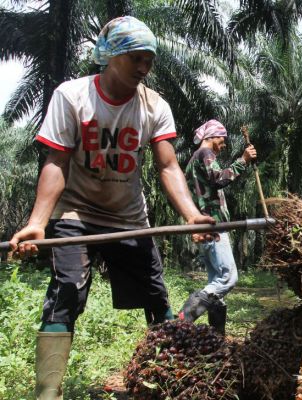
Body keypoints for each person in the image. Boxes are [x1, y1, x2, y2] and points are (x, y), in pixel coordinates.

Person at [9, 16, 215, 400]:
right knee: (66, 291)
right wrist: (37, 223)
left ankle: (168, 381)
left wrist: (191, 215)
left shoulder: (154, 106)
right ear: (110, 56)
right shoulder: (71, 96)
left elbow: (168, 166)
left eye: (149, 60)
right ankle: (47, 394)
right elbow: (56, 163)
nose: (144, 68)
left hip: (128, 217)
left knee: (156, 297)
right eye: (136, 58)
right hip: (75, 212)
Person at [179, 120, 257, 335]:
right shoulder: (205, 154)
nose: (224, 144)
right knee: (228, 278)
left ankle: (216, 337)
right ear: (212, 136)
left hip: (206, 225)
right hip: (212, 224)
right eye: (222, 138)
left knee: (216, 283)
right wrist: (243, 160)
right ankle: (183, 320)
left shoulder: (193, 161)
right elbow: (219, 179)